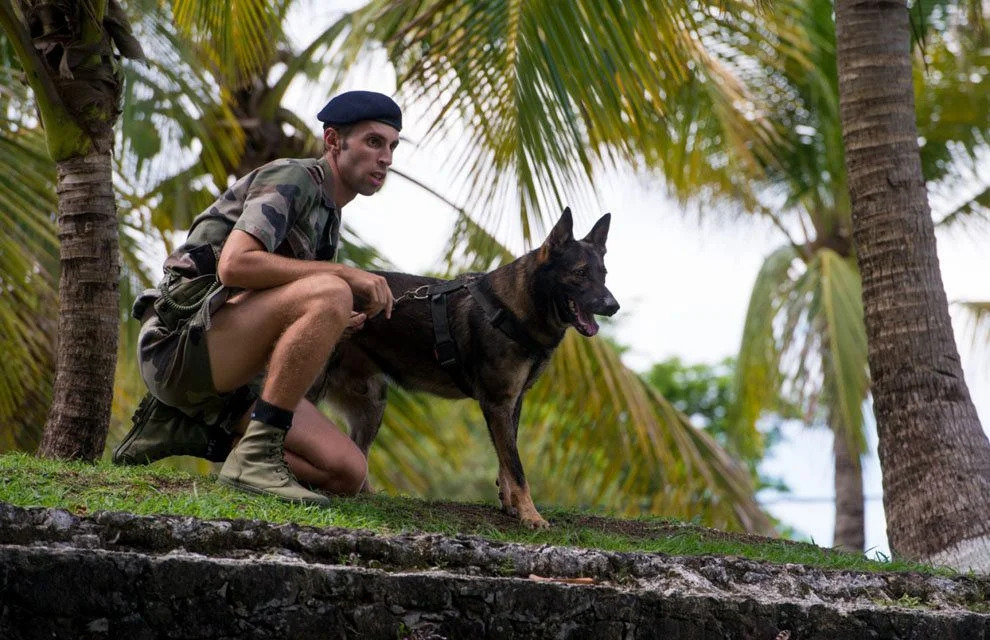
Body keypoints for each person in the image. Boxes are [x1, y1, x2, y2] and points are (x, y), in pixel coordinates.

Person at [113, 90, 400, 505]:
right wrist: (341, 279)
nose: (386, 158)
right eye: (374, 142)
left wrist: (336, 320)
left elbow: (284, 297)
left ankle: (195, 432)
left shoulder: (329, 215)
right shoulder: (294, 178)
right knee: (333, 291)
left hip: (234, 373)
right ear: (334, 141)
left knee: (347, 472)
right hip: (179, 343)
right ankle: (256, 456)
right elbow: (235, 265)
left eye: (392, 146)